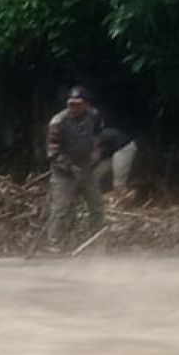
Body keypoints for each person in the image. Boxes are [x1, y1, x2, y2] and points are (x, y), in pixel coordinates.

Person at [46, 86, 105, 249]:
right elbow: (53, 152)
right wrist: (70, 168)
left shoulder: (94, 116)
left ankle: (97, 242)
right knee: (61, 209)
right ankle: (55, 245)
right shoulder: (58, 122)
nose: (73, 108)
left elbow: (98, 135)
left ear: (85, 104)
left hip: (86, 167)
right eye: (71, 104)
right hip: (63, 171)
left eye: (77, 104)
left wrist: (96, 153)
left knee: (96, 206)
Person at [95, 125, 137, 199]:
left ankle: (124, 200)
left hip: (124, 147)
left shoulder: (97, 137)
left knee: (118, 183)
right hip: (111, 151)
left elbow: (95, 156)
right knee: (95, 175)